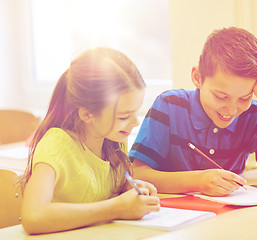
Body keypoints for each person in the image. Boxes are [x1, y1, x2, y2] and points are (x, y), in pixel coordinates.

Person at [129, 27, 257, 197]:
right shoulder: (169, 106)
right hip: (170, 215)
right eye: (221, 97)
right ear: (197, 78)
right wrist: (198, 181)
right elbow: (137, 174)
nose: (232, 110)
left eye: (244, 98)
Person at [20, 48, 160, 235]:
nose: (135, 122)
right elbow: (33, 217)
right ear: (87, 114)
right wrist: (116, 208)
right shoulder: (57, 145)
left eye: (136, 111)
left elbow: (101, 188)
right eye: (124, 116)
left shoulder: (114, 140)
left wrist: (130, 188)